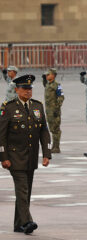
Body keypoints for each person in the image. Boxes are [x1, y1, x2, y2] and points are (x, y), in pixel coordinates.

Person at [0, 74, 51, 235]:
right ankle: (27, 221)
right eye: (24, 88)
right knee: (22, 190)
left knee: (26, 192)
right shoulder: (8, 108)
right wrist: (3, 157)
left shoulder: (37, 106)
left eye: (30, 88)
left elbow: (44, 131)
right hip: (14, 158)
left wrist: (46, 153)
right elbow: (1, 135)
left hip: (31, 157)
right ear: (17, 90)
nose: (28, 92)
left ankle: (18, 224)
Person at [42, 68, 64, 153]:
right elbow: (46, 86)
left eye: (48, 74)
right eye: (46, 75)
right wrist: (43, 80)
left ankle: (56, 147)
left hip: (54, 111)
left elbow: (61, 97)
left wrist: (57, 108)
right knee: (51, 128)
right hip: (49, 111)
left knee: (56, 129)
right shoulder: (48, 84)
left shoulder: (57, 85)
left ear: (53, 75)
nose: (47, 76)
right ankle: (54, 146)